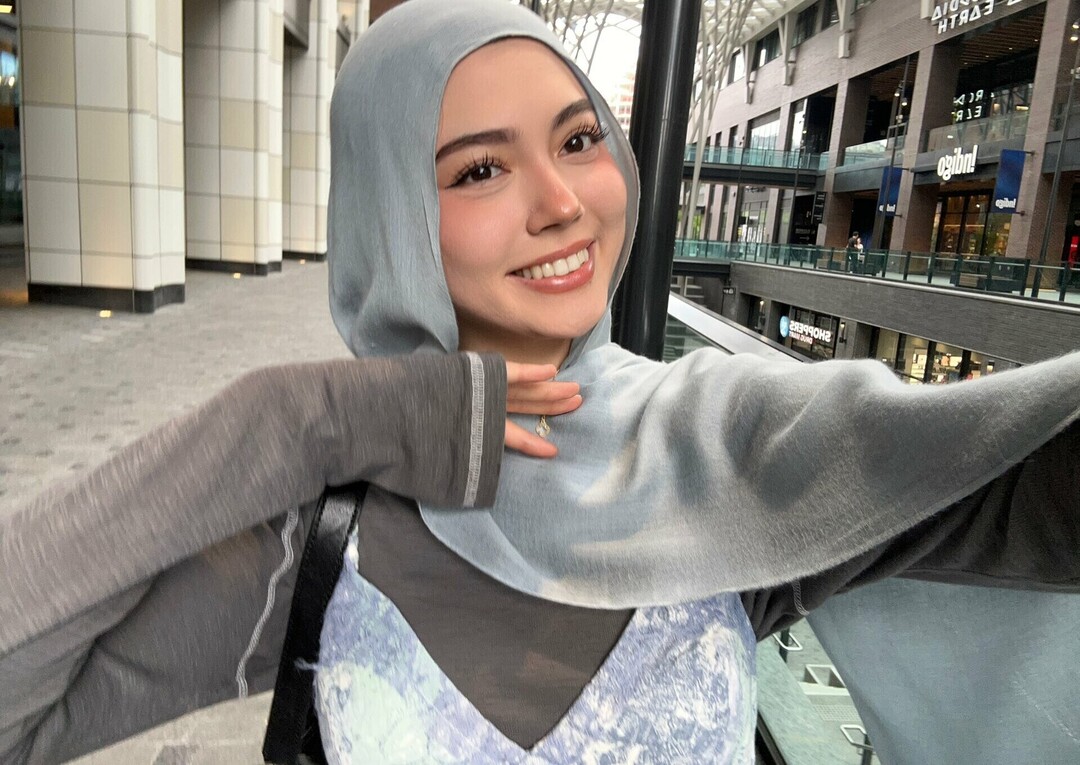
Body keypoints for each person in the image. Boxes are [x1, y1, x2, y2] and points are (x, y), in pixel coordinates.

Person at [2, 1, 1078, 763]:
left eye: (578, 139)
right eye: (480, 168)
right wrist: (303, 417)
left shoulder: (725, 449)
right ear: (391, 215)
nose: (561, 202)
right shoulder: (323, 524)